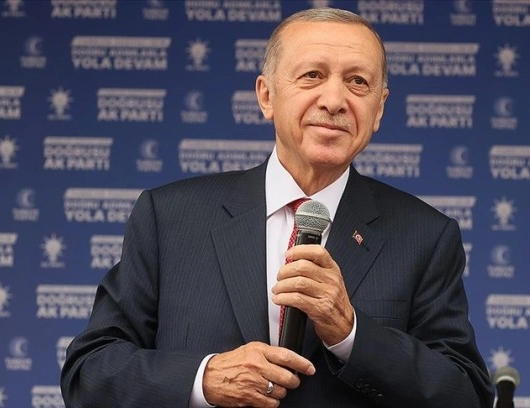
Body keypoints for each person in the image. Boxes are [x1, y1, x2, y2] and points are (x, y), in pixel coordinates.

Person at [61, 7, 493, 408]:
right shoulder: (169, 217)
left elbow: (467, 394)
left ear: (378, 109)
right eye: (312, 75)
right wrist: (204, 379)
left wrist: (351, 333)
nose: (334, 100)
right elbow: (89, 373)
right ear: (266, 96)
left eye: (358, 82)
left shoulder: (425, 236)